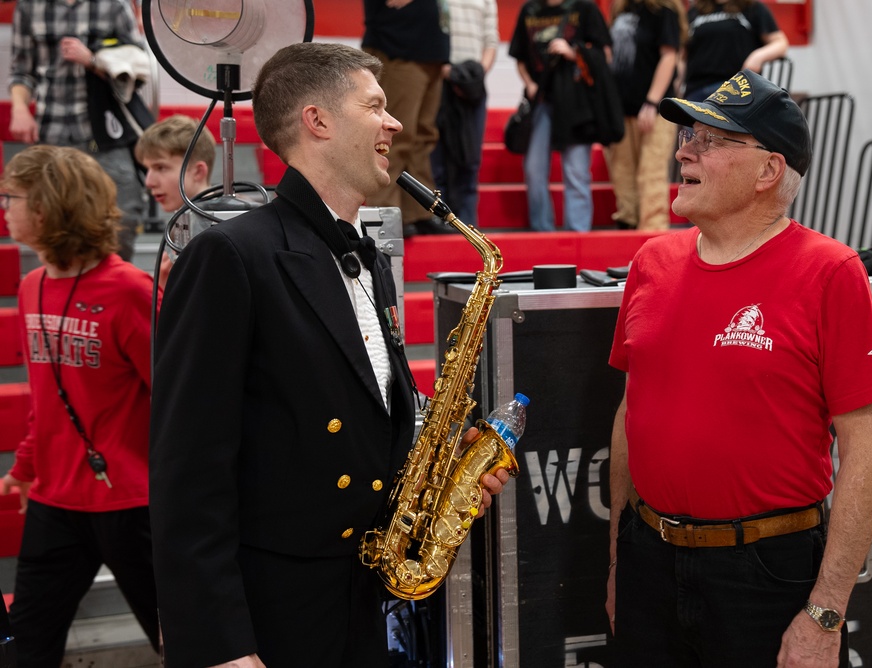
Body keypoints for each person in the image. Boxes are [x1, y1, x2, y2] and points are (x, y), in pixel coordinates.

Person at [148, 42, 509, 668]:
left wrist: (444, 489)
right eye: (376, 106)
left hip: (356, 601)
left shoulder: (368, 258)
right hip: (267, 619)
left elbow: (363, 425)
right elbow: (188, 472)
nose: (394, 124)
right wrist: (223, 648)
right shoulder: (230, 256)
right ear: (318, 121)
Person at [606, 70, 872, 667]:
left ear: (769, 171)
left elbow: (867, 452)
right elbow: (630, 413)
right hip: (648, 559)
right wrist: (619, 560)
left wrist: (825, 613)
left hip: (766, 572)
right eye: (689, 134)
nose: (684, 149)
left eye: (712, 140)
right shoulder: (651, 261)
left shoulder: (831, 271)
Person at [0, 144, 161, 667]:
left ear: (47, 207)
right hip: (56, 501)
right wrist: (24, 468)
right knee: (25, 645)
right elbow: (47, 401)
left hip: (133, 504)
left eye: (13, 197)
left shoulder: (130, 290)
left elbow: (179, 403)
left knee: (180, 640)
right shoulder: (31, 287)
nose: (5, 208)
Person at [8, 0, 148, 261]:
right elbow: (22, 71)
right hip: (52, 133)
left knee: (123, 216)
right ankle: (62, 290)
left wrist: (93, 60)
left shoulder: (114, 5)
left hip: (106, 133)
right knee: (51, 221)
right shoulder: (29, 7)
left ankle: (111, 287)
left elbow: (139, 68)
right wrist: (19, 108)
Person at [509, 0, 614, 232]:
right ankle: (542, 231)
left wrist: (573, 52)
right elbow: (520, 57)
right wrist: (529, 85)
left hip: (577, 104)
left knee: (576, 172)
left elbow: (605, 54)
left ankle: (578, 234)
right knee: (534, 170)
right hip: (541, 101)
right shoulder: (530, 10)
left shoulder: (584, 8)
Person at [362, 0, 455, 237]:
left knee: (423, 137)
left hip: (429, 50)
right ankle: (385, 213)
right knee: (393, 135)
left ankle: (419, 211)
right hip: (398, 47)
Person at [605, 0, 686, 231]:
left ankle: (653, 233)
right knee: (622, 173)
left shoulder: (663, 11)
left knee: (651, 175)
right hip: (621, 108)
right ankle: (627, 227)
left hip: (654, 109)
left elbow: (669, 57)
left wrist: (652, 102)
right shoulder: (622, 9)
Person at [429, 0, 499, 228]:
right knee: (436, 160)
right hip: (438, 80)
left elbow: (491, 40)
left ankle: (468, 228)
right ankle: (438, 223)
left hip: (472, 86)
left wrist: (473, 76)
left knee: (469, 161)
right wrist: (447, 72)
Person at [134, 114, 217, 288]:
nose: (149, 181)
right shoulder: (181, 222)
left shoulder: (214, 227)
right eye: (147, 169)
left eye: (160, 167)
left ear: (197, 172)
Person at [682, 0, 788, 103]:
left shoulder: (752, 7)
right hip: (697, 89)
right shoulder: (695, 11)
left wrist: (757, 57)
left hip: (737, 88)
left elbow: (780, 43)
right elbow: (682, 56)